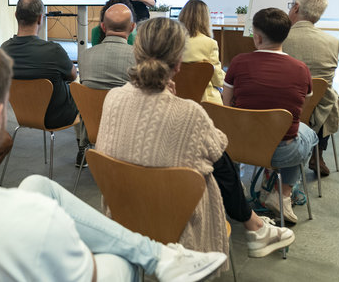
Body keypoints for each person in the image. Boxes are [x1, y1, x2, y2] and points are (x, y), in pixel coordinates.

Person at [0, 39, 227, 282]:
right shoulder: (36, 223)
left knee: (38, 185)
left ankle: (158, 255)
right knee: (121, 258)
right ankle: (155, 257)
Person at [97, 18, 294, 262]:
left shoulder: (113, 98)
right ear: (179, 64)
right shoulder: (190, 113)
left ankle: (256, 227)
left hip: (122, 212)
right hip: (178, 223)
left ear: (135, 53)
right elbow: (220, 155)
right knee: (220, 162)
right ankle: (255, 227)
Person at [223, 8, 319, 224]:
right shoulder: (301, 69)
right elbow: (303, 109)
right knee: (308, 133)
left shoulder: (238, 63)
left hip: (240, 146)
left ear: (256, 37)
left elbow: (226, 105)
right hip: (283, 152)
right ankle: (283, 195)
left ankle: (238, 188)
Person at [282, 0, 339, 176]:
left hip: (282, 110)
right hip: (316, 110)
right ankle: (318, 153)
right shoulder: (333, 42)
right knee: (329, 97)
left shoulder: (280, 38)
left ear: (295, 8)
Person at [0, 0, 79, 130]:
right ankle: (82, 146)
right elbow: (72, 76)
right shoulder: (54, 51)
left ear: (16, 15)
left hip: (23, 115)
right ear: (40, 18)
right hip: (56, 118)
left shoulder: (4, 49)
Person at [79, 3, 136, 90]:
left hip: (90, 103)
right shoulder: (139, 57)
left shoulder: (84, 55)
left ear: (103, 27)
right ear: (132, 28)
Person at [178, 0, 224, 104]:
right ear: (205, 19)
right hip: (204, 101)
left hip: (179, 97)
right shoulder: (209, 43)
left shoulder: (171, 41)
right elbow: (218, 80)